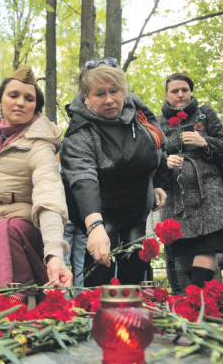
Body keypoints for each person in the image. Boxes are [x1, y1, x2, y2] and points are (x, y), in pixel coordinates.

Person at [0, 65, 72, 294]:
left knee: (7, 229)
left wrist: (54, 253)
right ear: (0, 101)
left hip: (28, 238)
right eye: (13, 95)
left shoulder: (40, 143)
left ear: (36, 106)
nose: (21, 102)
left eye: (29, 98)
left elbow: (49, 192)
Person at [61, 58, 169, 287]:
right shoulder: (80, 132)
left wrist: (159, 183)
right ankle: (94, 309)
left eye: (114, 91)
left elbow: (158, 145)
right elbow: (83, 179)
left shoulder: (139, 114)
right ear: (85, 98)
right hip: (98, 207)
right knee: (103, 247)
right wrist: (94, 226)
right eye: (100, 94)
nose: (109, 99)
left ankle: (134, 310)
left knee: (135, 254)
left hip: (136, 206)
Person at [157, 72, 223, 288]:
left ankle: (195, 300)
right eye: (175, 91)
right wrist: (165, 161)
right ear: (167, 94)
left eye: (185, 90)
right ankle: (200, 299)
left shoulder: (205, 114)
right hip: (176, 198)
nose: (180, 95)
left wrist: (204, 142)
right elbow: (153, 156)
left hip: (207, 193)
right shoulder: (158, 121)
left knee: (206, 247)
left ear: (191, 92)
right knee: (186, 252)